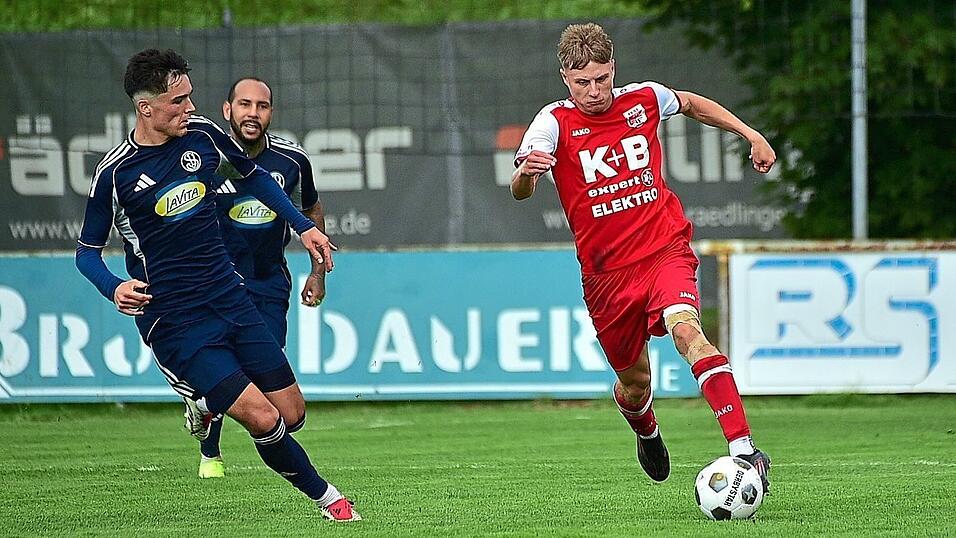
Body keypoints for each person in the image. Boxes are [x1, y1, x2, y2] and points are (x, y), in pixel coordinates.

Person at [74, 49, 360, 522]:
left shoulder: (204, 137)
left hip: (230, 296)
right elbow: (86, 253)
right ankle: (332, 501)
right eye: (178, 101)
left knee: (291, 414)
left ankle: (205, 402)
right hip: (175, 318)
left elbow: (257, 179)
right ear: (146, 108)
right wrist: (113, 286)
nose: (190, 108)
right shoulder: (116, 175)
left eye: (190, 97)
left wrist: (303, 228)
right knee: (263, 419)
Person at [512, 23, 775, 492]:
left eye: (601, 78)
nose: (594, 91)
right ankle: (646, 427)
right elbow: (520, 189)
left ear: (613, 69)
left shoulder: (645, 100)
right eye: (582, 83)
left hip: (664, 249)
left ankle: (744, 450)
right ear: (565, 79)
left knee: (689, 331)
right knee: (634, 385)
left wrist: (750, 133)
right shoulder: (552, 122)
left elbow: (691, 103)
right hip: (607, 276)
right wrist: (528, 176)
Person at [194, 77, 327, 480]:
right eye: (245, 104)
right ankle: (210, 451)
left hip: (269, 282)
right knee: (225, 367)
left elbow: (313, 210)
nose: (253, 113)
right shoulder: (202, 158)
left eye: (263, 106)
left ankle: (203, 405)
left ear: (271, 112)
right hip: (215, 284)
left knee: (278, 398)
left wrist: (317, 272)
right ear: (227, 110)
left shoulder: (292, 160)